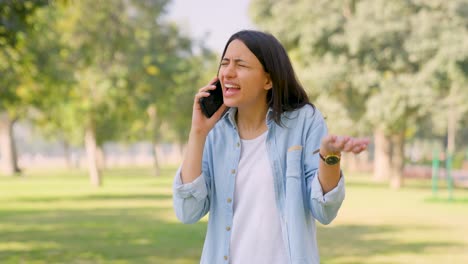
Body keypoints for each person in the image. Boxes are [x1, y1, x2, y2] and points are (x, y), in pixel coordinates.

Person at [173, 30, 369, 264]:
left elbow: (324, 211)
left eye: (241, 65)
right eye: (224, 63)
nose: (228, 72)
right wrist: (198, 132)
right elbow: (188, 211)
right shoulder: (215, 132)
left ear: (268, 79)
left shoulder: (303, 121)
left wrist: (330, 156)